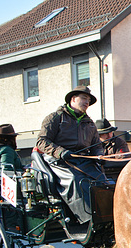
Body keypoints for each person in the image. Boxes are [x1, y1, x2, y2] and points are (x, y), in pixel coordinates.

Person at [35, 86, 109, 225]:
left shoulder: (90, 123)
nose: (87, 102)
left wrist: (99, 156)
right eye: (84, 98)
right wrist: (61, 152)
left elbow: (97, 146)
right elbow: (41, 141)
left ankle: (107, 217)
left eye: (88, 100)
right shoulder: (55, 118)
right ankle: (88, 220)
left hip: (82, 160)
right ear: (73, 99)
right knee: (76, 180)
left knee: (102, 181)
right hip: (58, 161)